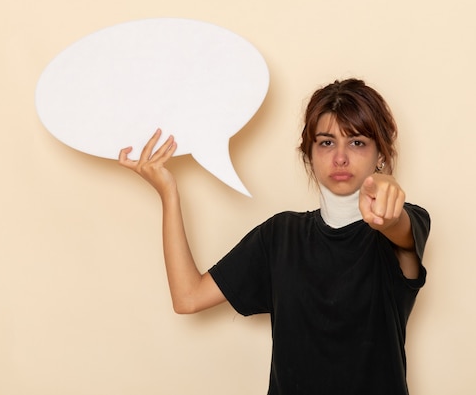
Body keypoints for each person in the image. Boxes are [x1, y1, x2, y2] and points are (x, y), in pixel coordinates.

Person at [118, 78, 430, 395]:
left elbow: (397, 227)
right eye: (326, 142)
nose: (340, 157)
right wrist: (169, 194)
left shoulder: (403, 225)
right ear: (308, 152)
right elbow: (188, 297)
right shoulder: (280, 236)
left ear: (380, 153)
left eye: (357, 142)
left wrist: (389, 204)